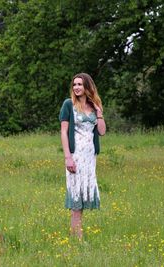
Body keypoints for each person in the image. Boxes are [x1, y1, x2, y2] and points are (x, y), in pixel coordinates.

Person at [59, 73, 106, 240]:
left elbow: (101, 131)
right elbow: (64, 132)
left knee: (83, 199)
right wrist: (68, 157)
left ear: (88, 87)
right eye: (74, 85)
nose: (76, 87)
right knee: (76, 199)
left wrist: (99, 112)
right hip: (75, 155)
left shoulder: (94, 106)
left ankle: (76, 238)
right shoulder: (68, 104)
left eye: (80, 84)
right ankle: (77, 240)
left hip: (89, 158)